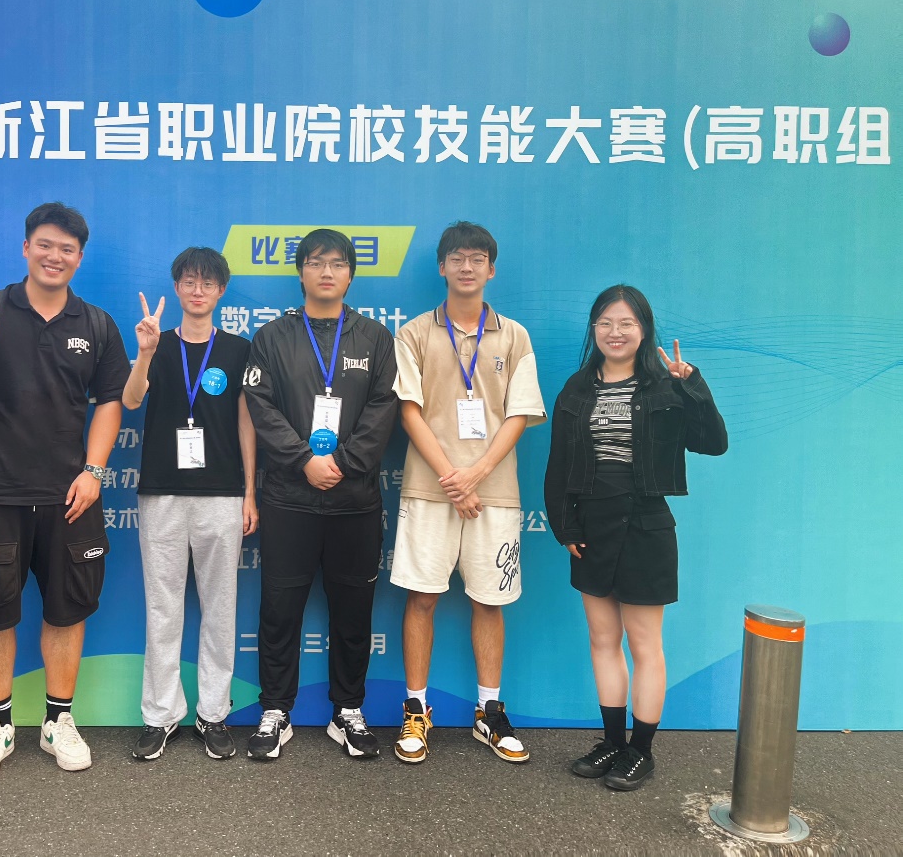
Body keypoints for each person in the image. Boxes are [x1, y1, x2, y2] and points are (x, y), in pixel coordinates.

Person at [0, 202, 131, 781]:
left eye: (67, 249)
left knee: (67, 610)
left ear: (79, 258)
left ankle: (57, 721)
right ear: (25, 248)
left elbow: (110, 400)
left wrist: (94, 472)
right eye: (45, 244)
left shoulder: (96, 324)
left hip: (71, 496)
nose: (54, 256)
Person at [544, 285, 727, 791]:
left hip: (647, 526)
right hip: (592, 527)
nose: (615, 332)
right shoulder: (577, 388)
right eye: (606, 322)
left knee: (645, 645)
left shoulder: (666, 386)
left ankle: (640, 750)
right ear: (594, 330)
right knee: (603, 641)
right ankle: (612, 742)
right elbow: (558, 464)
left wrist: (692, 386)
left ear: (643, 329)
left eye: (626, 323)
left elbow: (714, 443)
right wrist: (565, 527)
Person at [389, 222, 546, 765]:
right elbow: (408, 411)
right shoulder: (413, 333)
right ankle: (415, 709)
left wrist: (474, 474)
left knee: (489, 600)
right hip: (429, 490)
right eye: (457, 257)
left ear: (491, 269)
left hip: (493, 491)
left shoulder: (515, 336)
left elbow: (520, 413)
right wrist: (452, 478)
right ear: (442, 266)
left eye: (477, 258)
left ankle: (488, 711)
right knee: (422, 598)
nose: (466, 266)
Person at [242, 229, 398, 760]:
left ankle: (347, 710)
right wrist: (303, 459)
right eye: (315, 262)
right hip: (289, 498)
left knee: (353, 612)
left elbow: (383, 408)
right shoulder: (272, 337)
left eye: (336, 263)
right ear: (301, 272)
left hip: (355, 501)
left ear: (351, 274)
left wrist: (344, 464)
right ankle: (275, 710)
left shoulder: (375, 338)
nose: (326, 272)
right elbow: (260, 405)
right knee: (279, 608)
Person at [122, 247, 258, 761]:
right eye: (189, 281)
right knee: (163, 608)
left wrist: (249, 491)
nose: (198, 290)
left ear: (221, 291)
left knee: (220, 608)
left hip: (222, 494)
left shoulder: (239, 349)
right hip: (162, 492)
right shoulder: (157, 343)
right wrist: (145, 352)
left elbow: (246, 422)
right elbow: (131, 400)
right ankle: (160, 715)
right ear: (177, 287)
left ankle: (213, 713)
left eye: (207, 283)